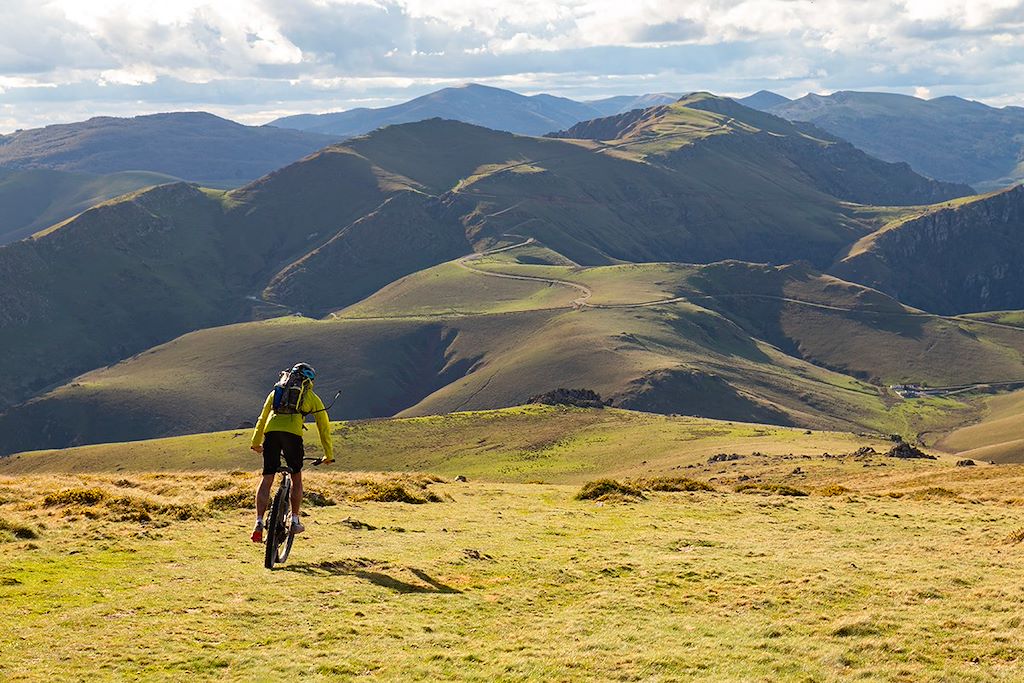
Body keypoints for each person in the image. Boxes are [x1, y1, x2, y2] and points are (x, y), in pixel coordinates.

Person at [249, 362, 334, 542]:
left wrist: (256, 442)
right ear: (309, 380)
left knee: (267, 478)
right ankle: (295, 520)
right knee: (296, 476)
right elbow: (323, 426)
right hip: (293, 436)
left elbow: (262, 418)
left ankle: (258, 522)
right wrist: (328, 454)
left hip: (271, 434)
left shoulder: (276, 393)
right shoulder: (310, 397)